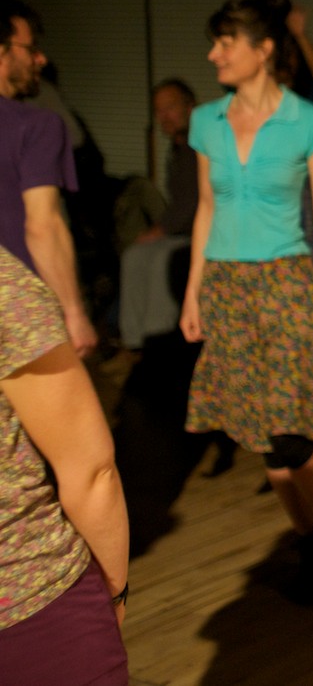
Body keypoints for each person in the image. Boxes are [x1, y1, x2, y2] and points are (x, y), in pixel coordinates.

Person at [178, 0, 313, 603]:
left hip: (286, 283)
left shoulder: (309, 120)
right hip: (225, 286)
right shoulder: (206, 121)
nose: (213, 54)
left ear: (262, 50)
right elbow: (207, 210)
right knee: (260, 431)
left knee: (288, 429)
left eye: (225, 42)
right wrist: (193, 294)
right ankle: (310, 544)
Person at [0, 246, 130, 685]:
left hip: (31, 613)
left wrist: (113, 598)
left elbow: (90, 470)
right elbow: (91, 471)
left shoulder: (6, 290)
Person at [0, 0, 97, 356]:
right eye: (31, 48)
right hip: (18, 305)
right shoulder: (36, 125)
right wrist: (74, 312)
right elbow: (43, 226)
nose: (40, 59)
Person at [117, 79, 200, 350]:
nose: (164, 116)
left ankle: (156, 343)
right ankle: (133, 344)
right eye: (159, 110)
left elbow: (191, 204)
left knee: (160, 262)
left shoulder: (200, 145)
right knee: (134, 256)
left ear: (190, 106)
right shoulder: (177, 149)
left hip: (203, 234)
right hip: (181, 232)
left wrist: (159, 230)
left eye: (170, 108)